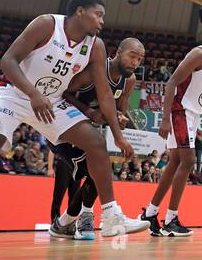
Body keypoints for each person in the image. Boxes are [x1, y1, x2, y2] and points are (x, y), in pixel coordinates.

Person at [0, 0, 147, 245]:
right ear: (80, 11)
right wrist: (33, 93)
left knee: (95, 143)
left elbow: (104, 95)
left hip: (53, 101)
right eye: (98, 15)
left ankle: (112, 217)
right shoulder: (46, 25)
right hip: (15, 93)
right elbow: (7, 61)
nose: (102, 21)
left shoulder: (96, 46)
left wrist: (118, 135)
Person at [145, 20, 202, 236]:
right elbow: (171, 83)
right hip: (180, 109)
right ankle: (171, 219)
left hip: (195, 113)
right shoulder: (199, 54)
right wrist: (165, 119)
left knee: (176, 162)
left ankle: (150, 212)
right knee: (189, 161)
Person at [48, 37, 144, 240]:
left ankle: (67, 221)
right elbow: (63, 94)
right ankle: (80, 218)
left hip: (89, 133)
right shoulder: (94, 70)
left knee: (98, 173)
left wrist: (119, 118)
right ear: (118, 52)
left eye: (140, 59)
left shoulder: (129, 80)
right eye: (132, 56)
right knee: (97, 172)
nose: (135, 62)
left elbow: (118, 110)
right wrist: (89, 112)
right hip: (62, 127)